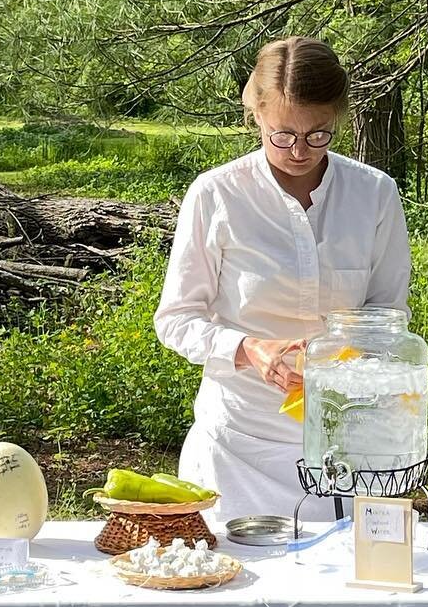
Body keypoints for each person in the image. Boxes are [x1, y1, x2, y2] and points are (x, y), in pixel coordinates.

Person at [154, 37, 411, 521]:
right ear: (256, 116)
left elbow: (388, 312)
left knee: (338, 586)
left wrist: (344, 356)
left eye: (318, 134)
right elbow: (177, 318)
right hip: (237, 442)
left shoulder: (374, 194)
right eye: (282, 135)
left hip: (345, 437)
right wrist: (250, 349)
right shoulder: (217, 194)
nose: (299, 150)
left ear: (337, 117)